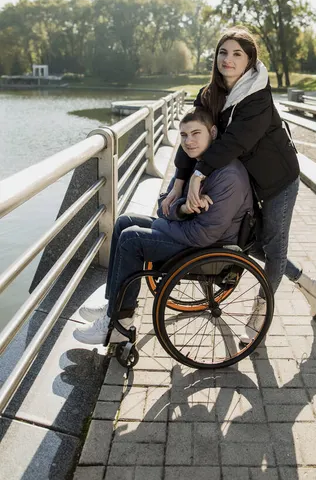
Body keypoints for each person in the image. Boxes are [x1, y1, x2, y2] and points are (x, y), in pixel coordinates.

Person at [162, 27, 316, 344]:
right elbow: (193, 136)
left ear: (250, 61)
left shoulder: (257, 97)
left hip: (276, 180)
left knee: (273, 246)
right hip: (244, 182)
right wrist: (179, 182)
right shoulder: (209, 94)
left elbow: (234, 142)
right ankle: (312, 286)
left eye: (237, 54)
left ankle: (260, 314)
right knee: (251, 242)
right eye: (223, 52)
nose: (228, 59)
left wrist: (200, 175)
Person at [73, 107, 253, 345]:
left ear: (213, 132)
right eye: (184, 135)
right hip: (193, 232)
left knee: (131, 238)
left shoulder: (227, 175)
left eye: (196, 133)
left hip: (211, 248)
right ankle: (114, 305)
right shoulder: (194, 165)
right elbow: (163, 205)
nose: (189, 141)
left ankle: (120, 324)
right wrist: (183, 209)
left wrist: (166, 219)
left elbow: (204, 234)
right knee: (124, 222)